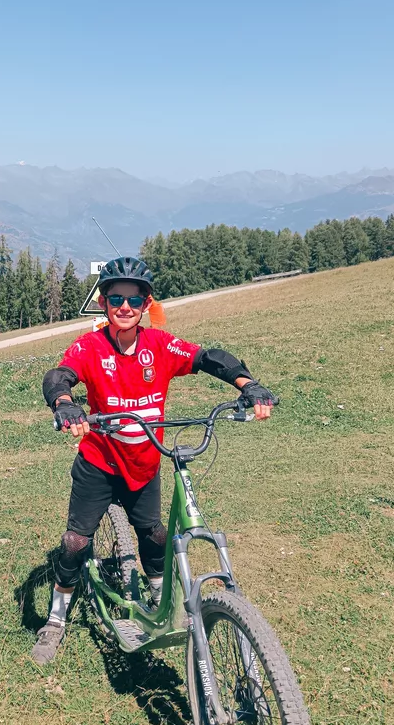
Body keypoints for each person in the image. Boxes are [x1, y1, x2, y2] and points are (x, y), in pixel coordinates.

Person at [31, 256, 277, 664]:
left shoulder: (159, 346)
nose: (124, 307)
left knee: (156, 535)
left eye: (133, 299)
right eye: (114, 298)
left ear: (147, 305)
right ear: (103, 304)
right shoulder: (90, 347)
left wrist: (247, 383)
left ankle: (165, 606)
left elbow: (208, 357)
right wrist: (64, 404)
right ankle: (56, 620)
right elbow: (59, 376)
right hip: (99, 464)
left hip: (145, 465)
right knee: (75, 543)